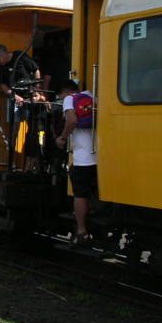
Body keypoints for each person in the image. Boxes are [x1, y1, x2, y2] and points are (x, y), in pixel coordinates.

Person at [55, 80, 97, 246]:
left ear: (65, 91)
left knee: (80, 194)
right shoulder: (92, 96)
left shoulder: (69, 99)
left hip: (83, 158)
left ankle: (81, 230)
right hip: (100, 157)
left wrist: (62, 138)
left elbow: (71, 120)